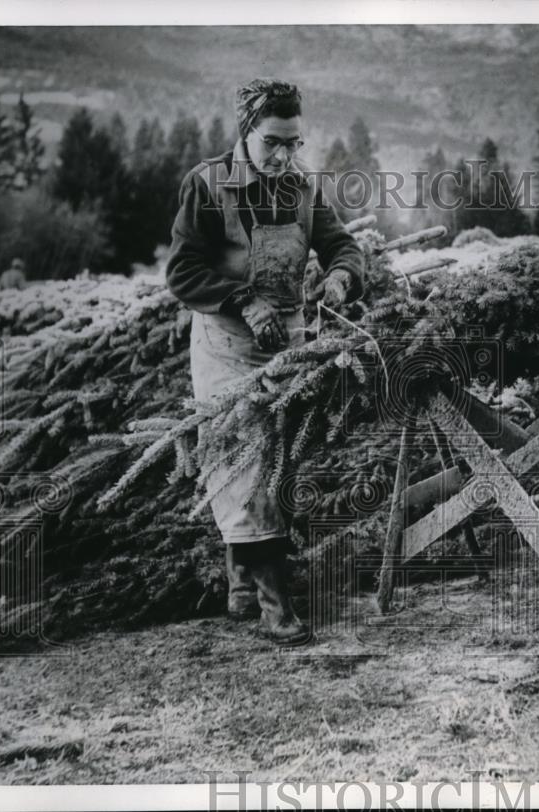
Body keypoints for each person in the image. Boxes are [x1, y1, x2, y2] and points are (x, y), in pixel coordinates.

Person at [166, 79, 365, 644]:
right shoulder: (206, 185)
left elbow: (342, 244)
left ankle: (239, 582)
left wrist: (341, 275)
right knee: (244, 462)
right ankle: (277, 609)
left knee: (279, 465)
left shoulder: (302, 188)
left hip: (287, 343)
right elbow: (182, 272)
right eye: (274, 142)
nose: (284, 155)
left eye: (294, 143)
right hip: (227, 345)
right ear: (246, 133)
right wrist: (243, 300)